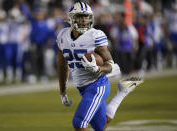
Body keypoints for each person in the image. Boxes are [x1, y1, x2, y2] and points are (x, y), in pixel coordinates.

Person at [56, 2, 143, 131]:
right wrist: (62, 91)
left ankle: (122, 92)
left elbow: (110, 64)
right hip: (82, 87)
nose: (84, 20)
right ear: (71, 18)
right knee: (101, 127)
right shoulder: (62, 36)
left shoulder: (95, 35)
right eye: (80, 16)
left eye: (86, 17)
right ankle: (122, 92)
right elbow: (62, 65)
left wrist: (98, 68)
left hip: (97, 85)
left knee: (79, 123)